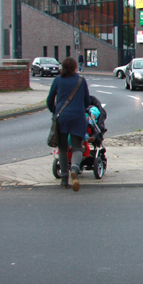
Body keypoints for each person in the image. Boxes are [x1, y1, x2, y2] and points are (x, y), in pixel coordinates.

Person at [46, 57, 90, 191]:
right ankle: (75, 170)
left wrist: (56, 111)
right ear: (75, 67)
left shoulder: (57, 80)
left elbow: (49, 100)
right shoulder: (81, 81)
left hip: (62, 117)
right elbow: (87, 101)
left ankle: (64, 179)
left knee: (63, 148)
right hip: (77, 117)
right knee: (77, 147)